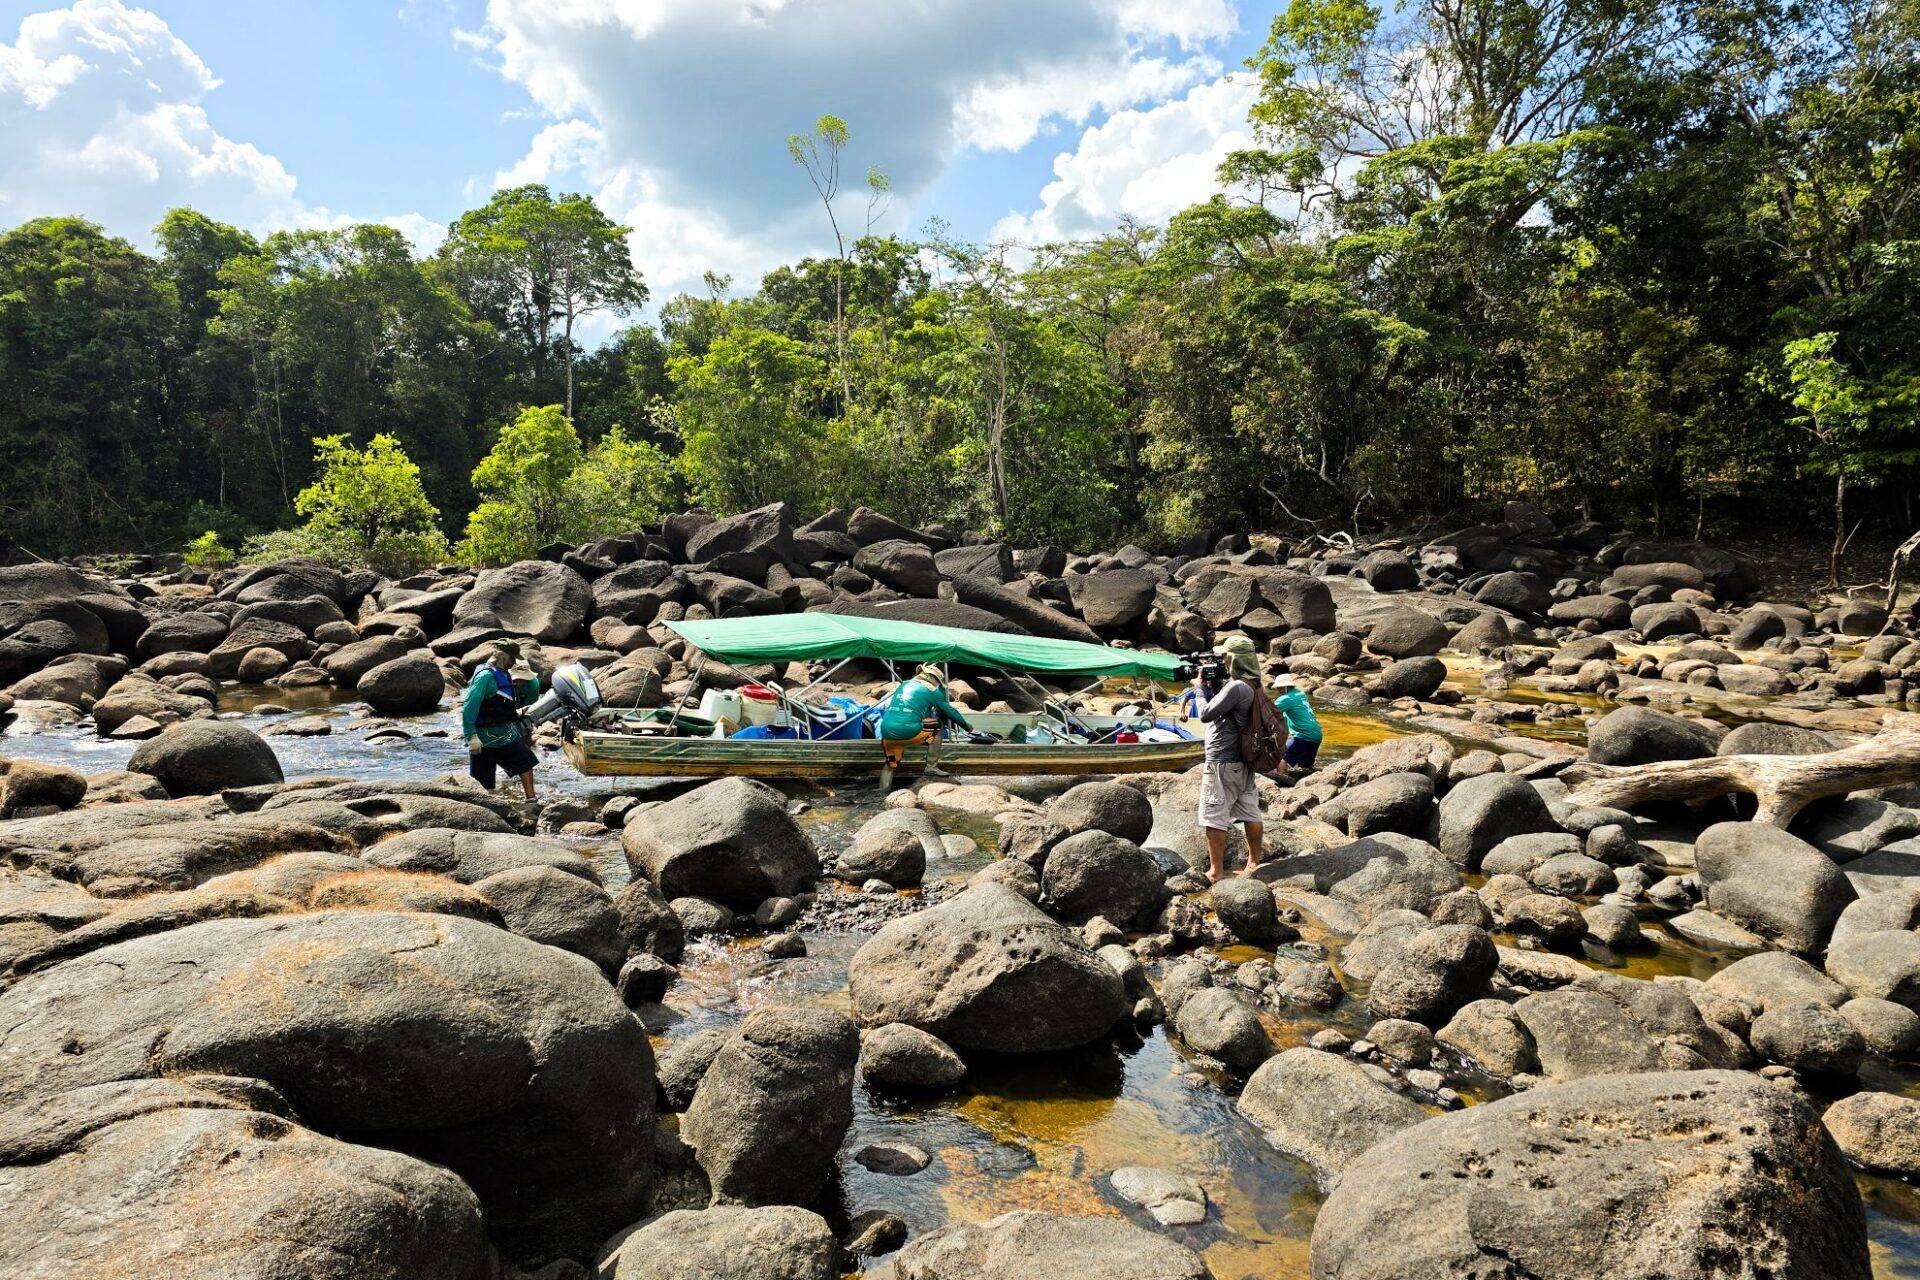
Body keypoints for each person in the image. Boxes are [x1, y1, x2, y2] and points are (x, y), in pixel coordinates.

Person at [1193, 633, 1265, 882]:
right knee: (1250, 811)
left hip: (1223, 760)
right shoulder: (1253, 683)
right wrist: (1213, 685)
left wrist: (1198, 688)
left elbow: (1205, 714)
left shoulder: (1236, 687)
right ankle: (1254, 863)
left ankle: (1215, 871)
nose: (1221, 661)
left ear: (1233, 659)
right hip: (1244, 760)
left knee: (1214, 815)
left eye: (1224, 656)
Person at [462, 641, 542, 800]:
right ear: (502, 656)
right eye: (512, 658)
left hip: (506, 734)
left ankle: (531, 800)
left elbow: (503, 704)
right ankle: (490, 807)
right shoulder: (485, 677)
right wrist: (471, 737)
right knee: (484, 783)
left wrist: (517, 713)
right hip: (484, 738)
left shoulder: (505, 674)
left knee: (526, 762)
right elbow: (469, 707)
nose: (514, 662)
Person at [878, 664, 972, 777]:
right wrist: (968, 727)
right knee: (937, 728)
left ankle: (887, 777)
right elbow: (950, 712)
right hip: (907, 732)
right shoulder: (932, 691)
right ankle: (931, 767)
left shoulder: (904, 684)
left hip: (886, 732)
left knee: (891, 764)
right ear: (935, 680)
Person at [1272, 672, 1323, 775]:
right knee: (1305, 768)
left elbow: (1267, 713)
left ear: (1285, 687)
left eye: (1279, 688)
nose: (1278, 690)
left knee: (1280, 758)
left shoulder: (1285, 699)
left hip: (1303, 735)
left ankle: (1280, 779)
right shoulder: (1300, 694)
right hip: (1316, 734)